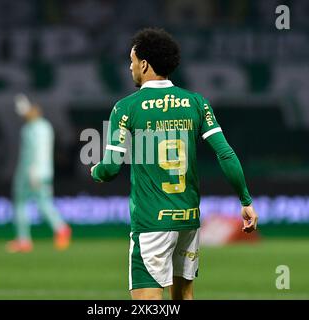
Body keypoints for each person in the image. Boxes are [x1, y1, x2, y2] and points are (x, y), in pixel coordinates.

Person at [90, 28, 258, 300]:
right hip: (188, 220)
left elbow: (110, 169)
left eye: (132, 60)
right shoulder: (196, 102)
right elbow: (225, 154)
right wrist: (245, 200)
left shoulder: (126, 107)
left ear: (144, 64)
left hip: (152, 223)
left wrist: (96, 170)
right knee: (183, 297)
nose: (130, 66)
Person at [6, 94, 71, 253]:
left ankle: (24, 240)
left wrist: (33, 171)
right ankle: (61, 229)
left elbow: (37, 152)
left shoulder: (32, 129)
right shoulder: (44, 126)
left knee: (21, 203)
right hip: (43, 171)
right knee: (43, 203)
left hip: (31, 172)